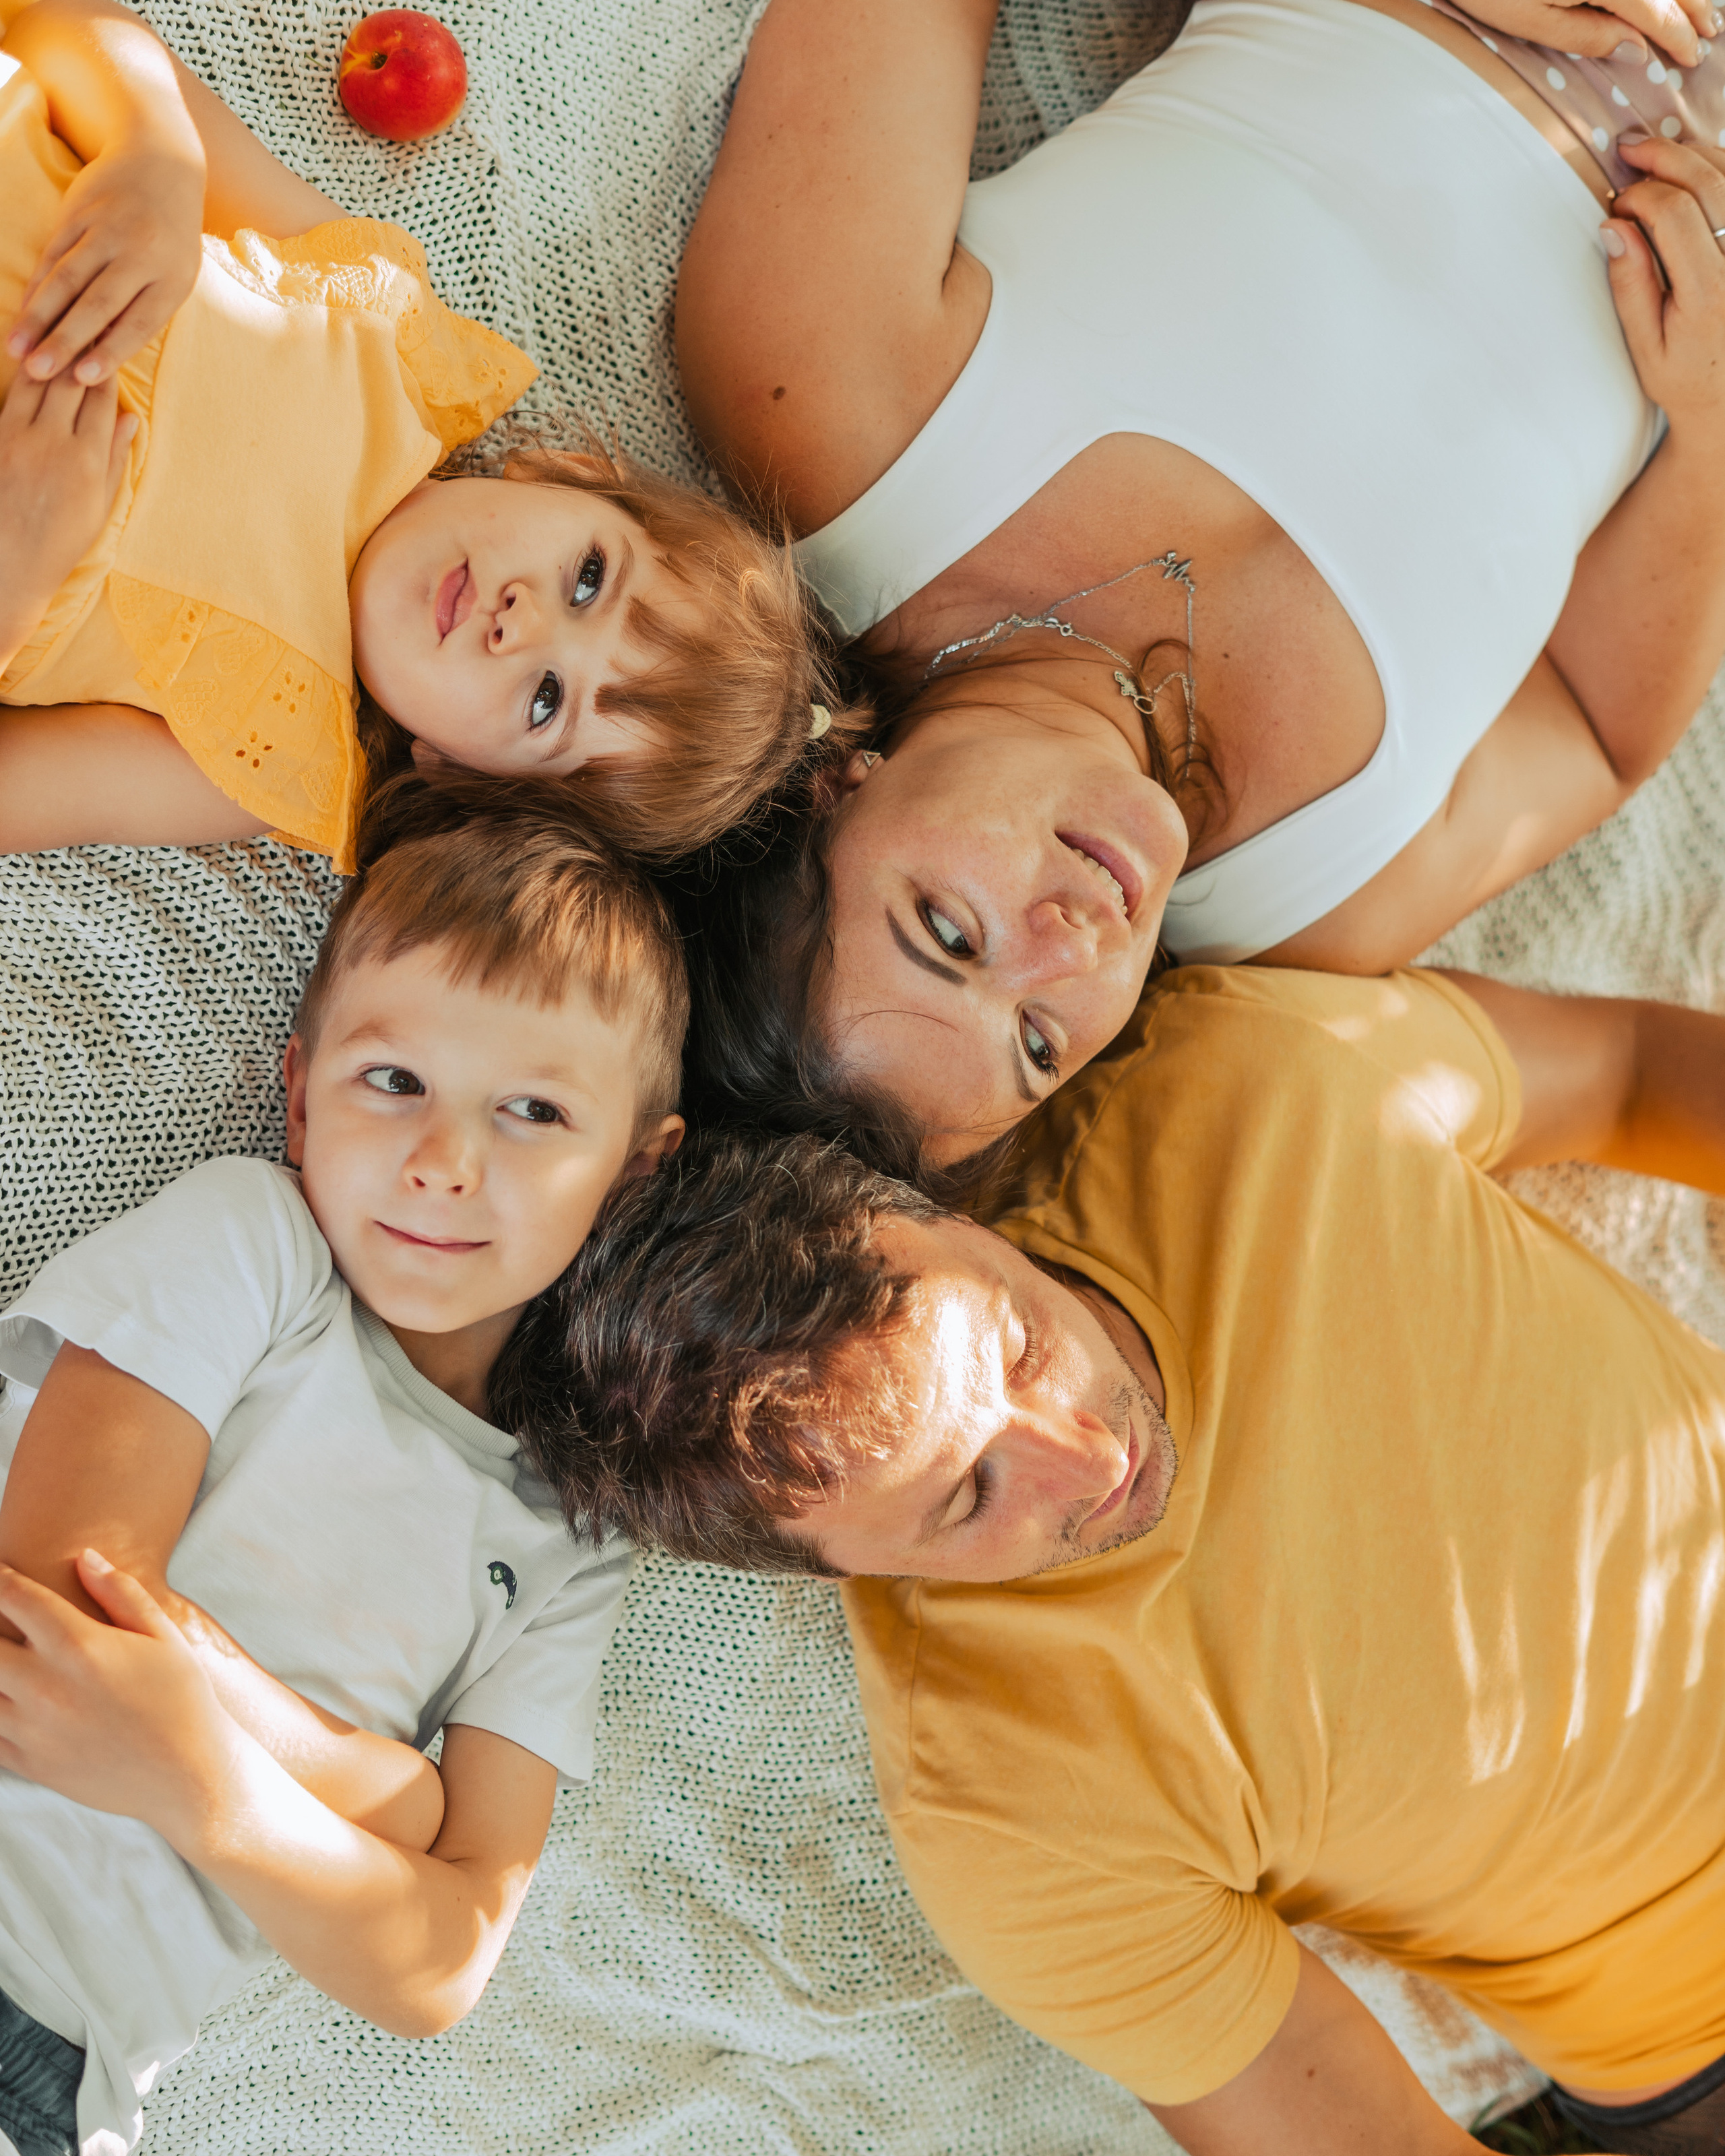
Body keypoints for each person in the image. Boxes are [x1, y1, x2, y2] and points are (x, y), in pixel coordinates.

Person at [527, 964, 1725, 2154]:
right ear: (849, 1571)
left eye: (1013, 1350)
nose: (1085, 1458)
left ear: (943, 1211)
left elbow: (1624, 1071)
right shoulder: (1012, 1813)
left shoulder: (1231, 1078)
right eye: (968, 1498)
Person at [673, 0, 1725, 1164]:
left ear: (836, 788)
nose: (1069, 949)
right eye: (1036, 1042)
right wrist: (1719, 425)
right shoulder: (1317, 893)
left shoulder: (828, 408)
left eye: (949, 931)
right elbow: (1592, 722)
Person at [0, 783, 687, 2156]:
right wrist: (400, 1797)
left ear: (630, 1178)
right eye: (394, 1081)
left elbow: (438, 1964)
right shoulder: (256, 1248)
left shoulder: (573, 1528)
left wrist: (210, 1780)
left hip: (64, 2075)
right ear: (299, 1096)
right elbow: (60, 1625)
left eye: (534, 1110)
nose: (444, 1160)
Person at [0, 0, 862, 872]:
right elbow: (55, 22)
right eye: (589, 577)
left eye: (546, 703)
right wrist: (154, 156)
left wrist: (16, 571)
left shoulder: (250, 763)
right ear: (559, 475)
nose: (520, 624)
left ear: (457, 774)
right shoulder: (384, 332)